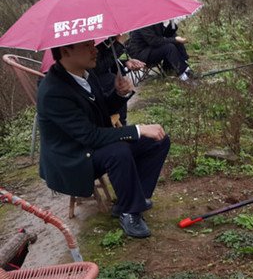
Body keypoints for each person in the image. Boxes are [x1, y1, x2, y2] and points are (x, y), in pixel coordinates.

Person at [37, 40, 170, 238]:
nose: (95, 50)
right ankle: (129, 212)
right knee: (118, 151)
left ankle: (133, 199)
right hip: (72, 159)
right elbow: (90, 136)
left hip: (89, 148)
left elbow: (102, 112)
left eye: (93, 44)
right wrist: (138, 129)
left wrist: (119, 94)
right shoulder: (53, 91)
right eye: (87, 46)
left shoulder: (85, 75)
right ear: (66, 51)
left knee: (158, 140)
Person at [94, 35, 146, 125]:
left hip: (113, 74)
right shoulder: (94, 40)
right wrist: (119, 43)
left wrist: (127, 60)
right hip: (100, 81)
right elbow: (99, 66)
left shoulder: (108, 35)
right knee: (112, 80)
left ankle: (123, 121)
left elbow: (116, 52)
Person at [127, 20, 194, 81]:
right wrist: (175, 40)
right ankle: (183, 75)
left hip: (150, 48)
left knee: (174, 38)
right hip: (141, 54)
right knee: (169, 47)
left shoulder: (154, 19)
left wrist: (172, 22)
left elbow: (163, 35)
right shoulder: (143, 22)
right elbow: (154, 41)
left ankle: (182, 66)